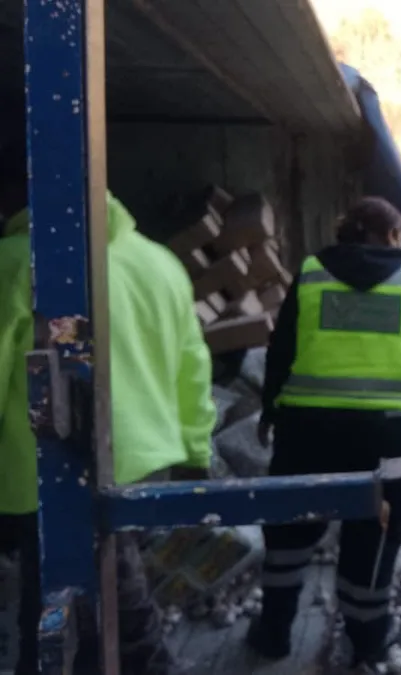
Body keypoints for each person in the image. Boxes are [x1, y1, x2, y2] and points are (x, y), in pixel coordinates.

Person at [0, 144, 217, 675]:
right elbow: (193, 368)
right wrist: (194, 451)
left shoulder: (14, 263)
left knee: (65, 612)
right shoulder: (159, 261)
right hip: (148, 462)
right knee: (105, 599)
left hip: (48, 473)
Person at [250, 198, 401, 671]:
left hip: (307, 429)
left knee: (290, 530)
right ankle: (368, 641)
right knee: (375, 534)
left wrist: (270, 409)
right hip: (392, 436)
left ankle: (274, 632)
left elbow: (282, 347)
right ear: (394, 235)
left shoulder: (313, 271)